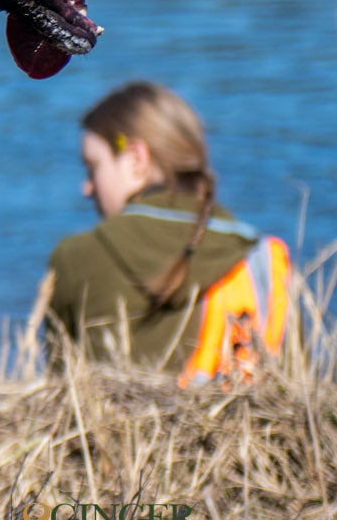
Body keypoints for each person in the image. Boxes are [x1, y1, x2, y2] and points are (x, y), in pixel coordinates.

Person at [45, 82, 286, 381]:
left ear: (135, 158)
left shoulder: (77, 257)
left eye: (93, 167)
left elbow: (58, 388)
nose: (87, 188)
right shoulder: (262, 258)